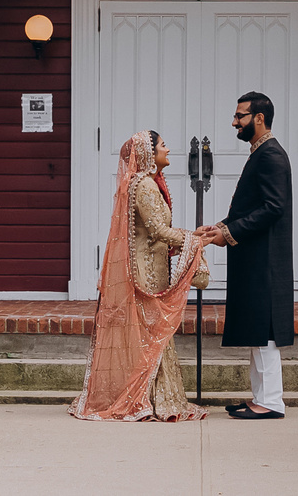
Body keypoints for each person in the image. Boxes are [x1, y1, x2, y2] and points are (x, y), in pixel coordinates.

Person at [71, 130, 211, 421]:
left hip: (152, 266)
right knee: (151, 333)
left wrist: (187, 237)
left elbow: (154, 233)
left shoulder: (145, 183)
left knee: (151, 333)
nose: (168, 149)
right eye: (162, 145)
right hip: (145, 272)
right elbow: (159, 231)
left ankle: (150, 399)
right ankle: (146, 401)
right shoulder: (145, 185)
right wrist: (193, 240)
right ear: (149, 153)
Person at [196, 91, 293, 420]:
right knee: (256, 330)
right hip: (254, 256)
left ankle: (271, 402)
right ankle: (260, 398)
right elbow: (253, 206)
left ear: (259, 118)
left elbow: (273, 208)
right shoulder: (261, 153)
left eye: (241, 116)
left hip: (264, 260)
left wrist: (230, 233)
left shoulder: (271, 155)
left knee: (264, 333)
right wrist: (220, 227)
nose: (234, 122)